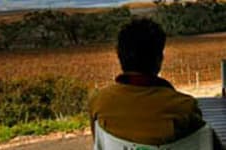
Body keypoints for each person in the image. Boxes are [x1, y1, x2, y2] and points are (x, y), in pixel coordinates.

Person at [89, 18, 208, 146]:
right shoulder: (184, 107)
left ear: (119, 56)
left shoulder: (99, 102)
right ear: (159, 59)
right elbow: (205, 142)